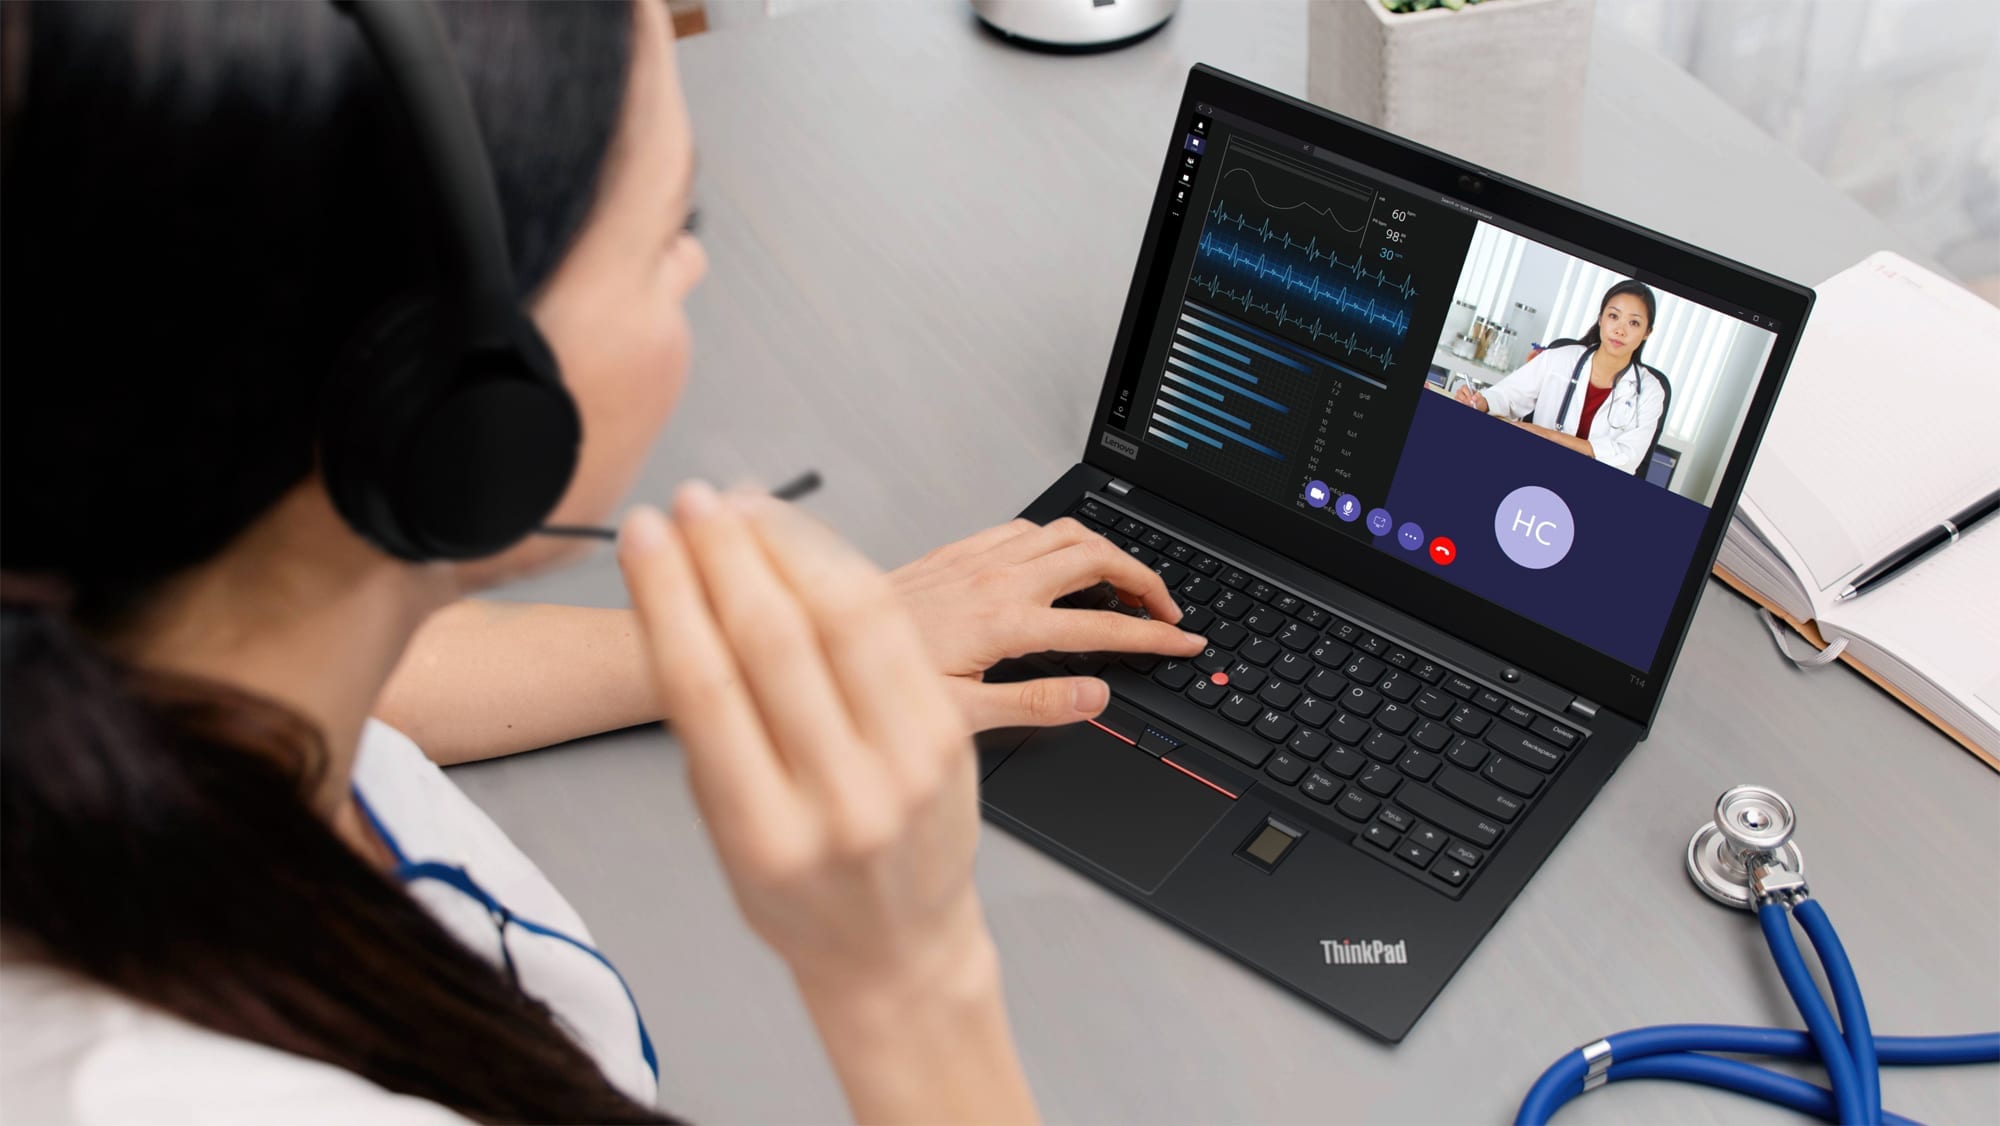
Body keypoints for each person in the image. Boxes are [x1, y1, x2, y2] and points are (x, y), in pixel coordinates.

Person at [0, 2, 1208, 1121]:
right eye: (669, 234)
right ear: (462, 406)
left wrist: (743, 652)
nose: (690, 271)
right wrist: (908, 977)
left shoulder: (141, 620)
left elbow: (375, 658)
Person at [1452, 280, 1670, 476]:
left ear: (1647, 333)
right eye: (1614, 316)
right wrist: (1482, 402)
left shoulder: (1650, 391)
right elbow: (1507, 396)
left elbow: (1628, 458)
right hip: (1535, 469)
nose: (1620, 330)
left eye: (1634, 323)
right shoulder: (1558, 359)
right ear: (1600, 319)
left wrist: (1550, 437)